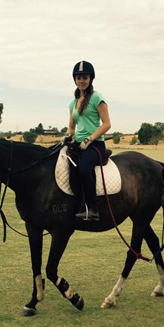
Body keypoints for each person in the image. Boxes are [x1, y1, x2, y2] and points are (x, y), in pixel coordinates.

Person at [65, 60, 111, 221]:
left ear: (91, 79)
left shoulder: (97, 98)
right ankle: (77, 204)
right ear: (75, 80)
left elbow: (107, 124)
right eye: (78, 78)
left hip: (95, 144)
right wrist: (67, 135)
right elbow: (71, 127)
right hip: (78, 143)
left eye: (84, 77)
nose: (81, 81)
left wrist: (90, 139)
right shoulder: (73, 103)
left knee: (84, 170)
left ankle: (93, 208)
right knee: (68, 170)